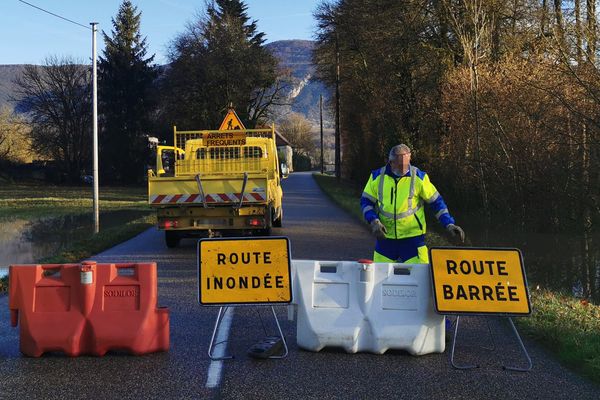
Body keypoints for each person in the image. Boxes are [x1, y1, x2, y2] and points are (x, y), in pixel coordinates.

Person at [360, 144, 464, 264]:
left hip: (413, 240)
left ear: (410, 159)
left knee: (420, 279)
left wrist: (449, 224)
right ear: (390, 162)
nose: (403, 169)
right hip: (385, 238)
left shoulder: (419, 177)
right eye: (399, 166)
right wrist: (374, 221)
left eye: (406, 165)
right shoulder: (377, 177)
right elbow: (366, 201)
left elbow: (436, 203)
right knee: (379, 279)